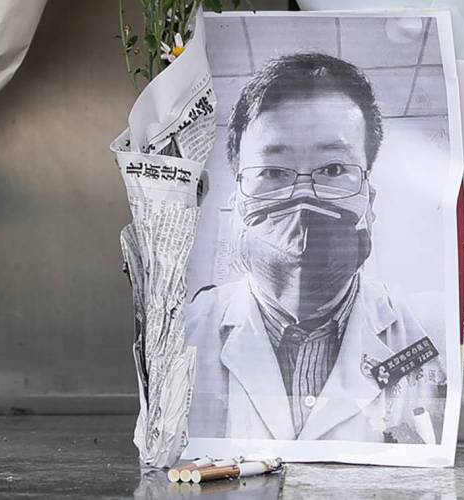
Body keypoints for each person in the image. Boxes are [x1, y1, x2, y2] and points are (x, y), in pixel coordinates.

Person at [186, 52, 446, 443]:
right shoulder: (188, 333)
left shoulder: (431, 333)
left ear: (369, 200)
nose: (304, 199)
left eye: (333, 170)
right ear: (238, 202)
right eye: (273, 172)